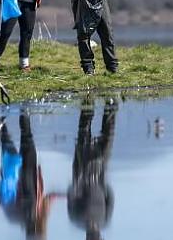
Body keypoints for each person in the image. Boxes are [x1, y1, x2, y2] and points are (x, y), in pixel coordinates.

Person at [68, 97, 117, 240]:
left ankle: (88, 102)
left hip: (82, 173)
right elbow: (110, 198)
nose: (95, 235)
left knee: (84, 133)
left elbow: (71, 195)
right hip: (100, 174)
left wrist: (79, 182)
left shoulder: (76, 219)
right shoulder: (104, 221)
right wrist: (102, 183)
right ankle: (111, 103)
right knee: (108, 134)